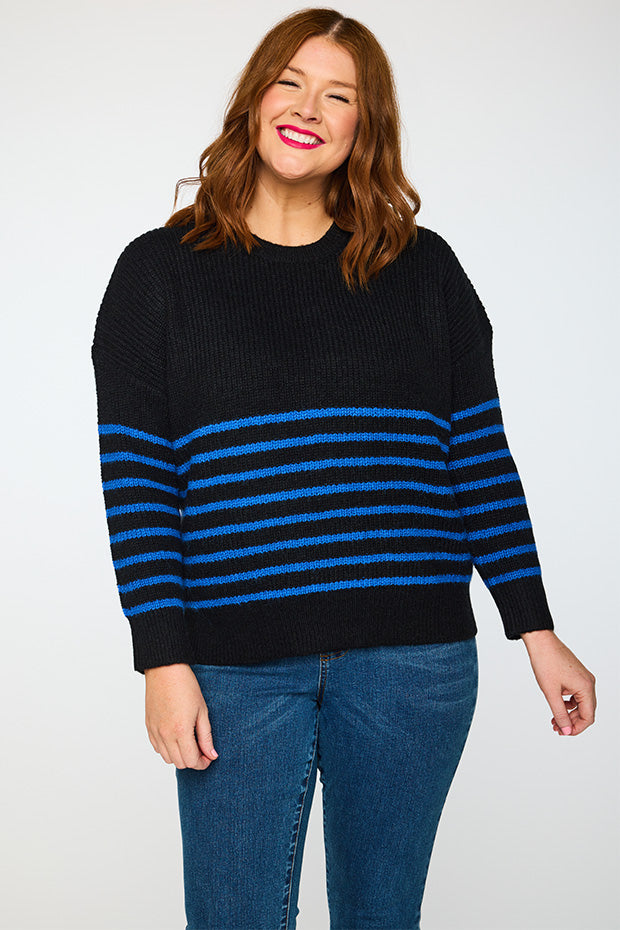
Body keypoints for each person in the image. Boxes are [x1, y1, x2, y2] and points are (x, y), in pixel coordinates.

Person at [90, 8, 597, 929]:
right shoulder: (156, 276)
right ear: (255, 100)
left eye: (339, 95)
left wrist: (536, 628)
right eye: (290, 83)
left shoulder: (425, 271)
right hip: (234, 666)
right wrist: (161, 658)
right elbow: (138, 485)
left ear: (366, 125)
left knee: (381, 917)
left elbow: (478, 457)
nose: (307, 109)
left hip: (412, 662)